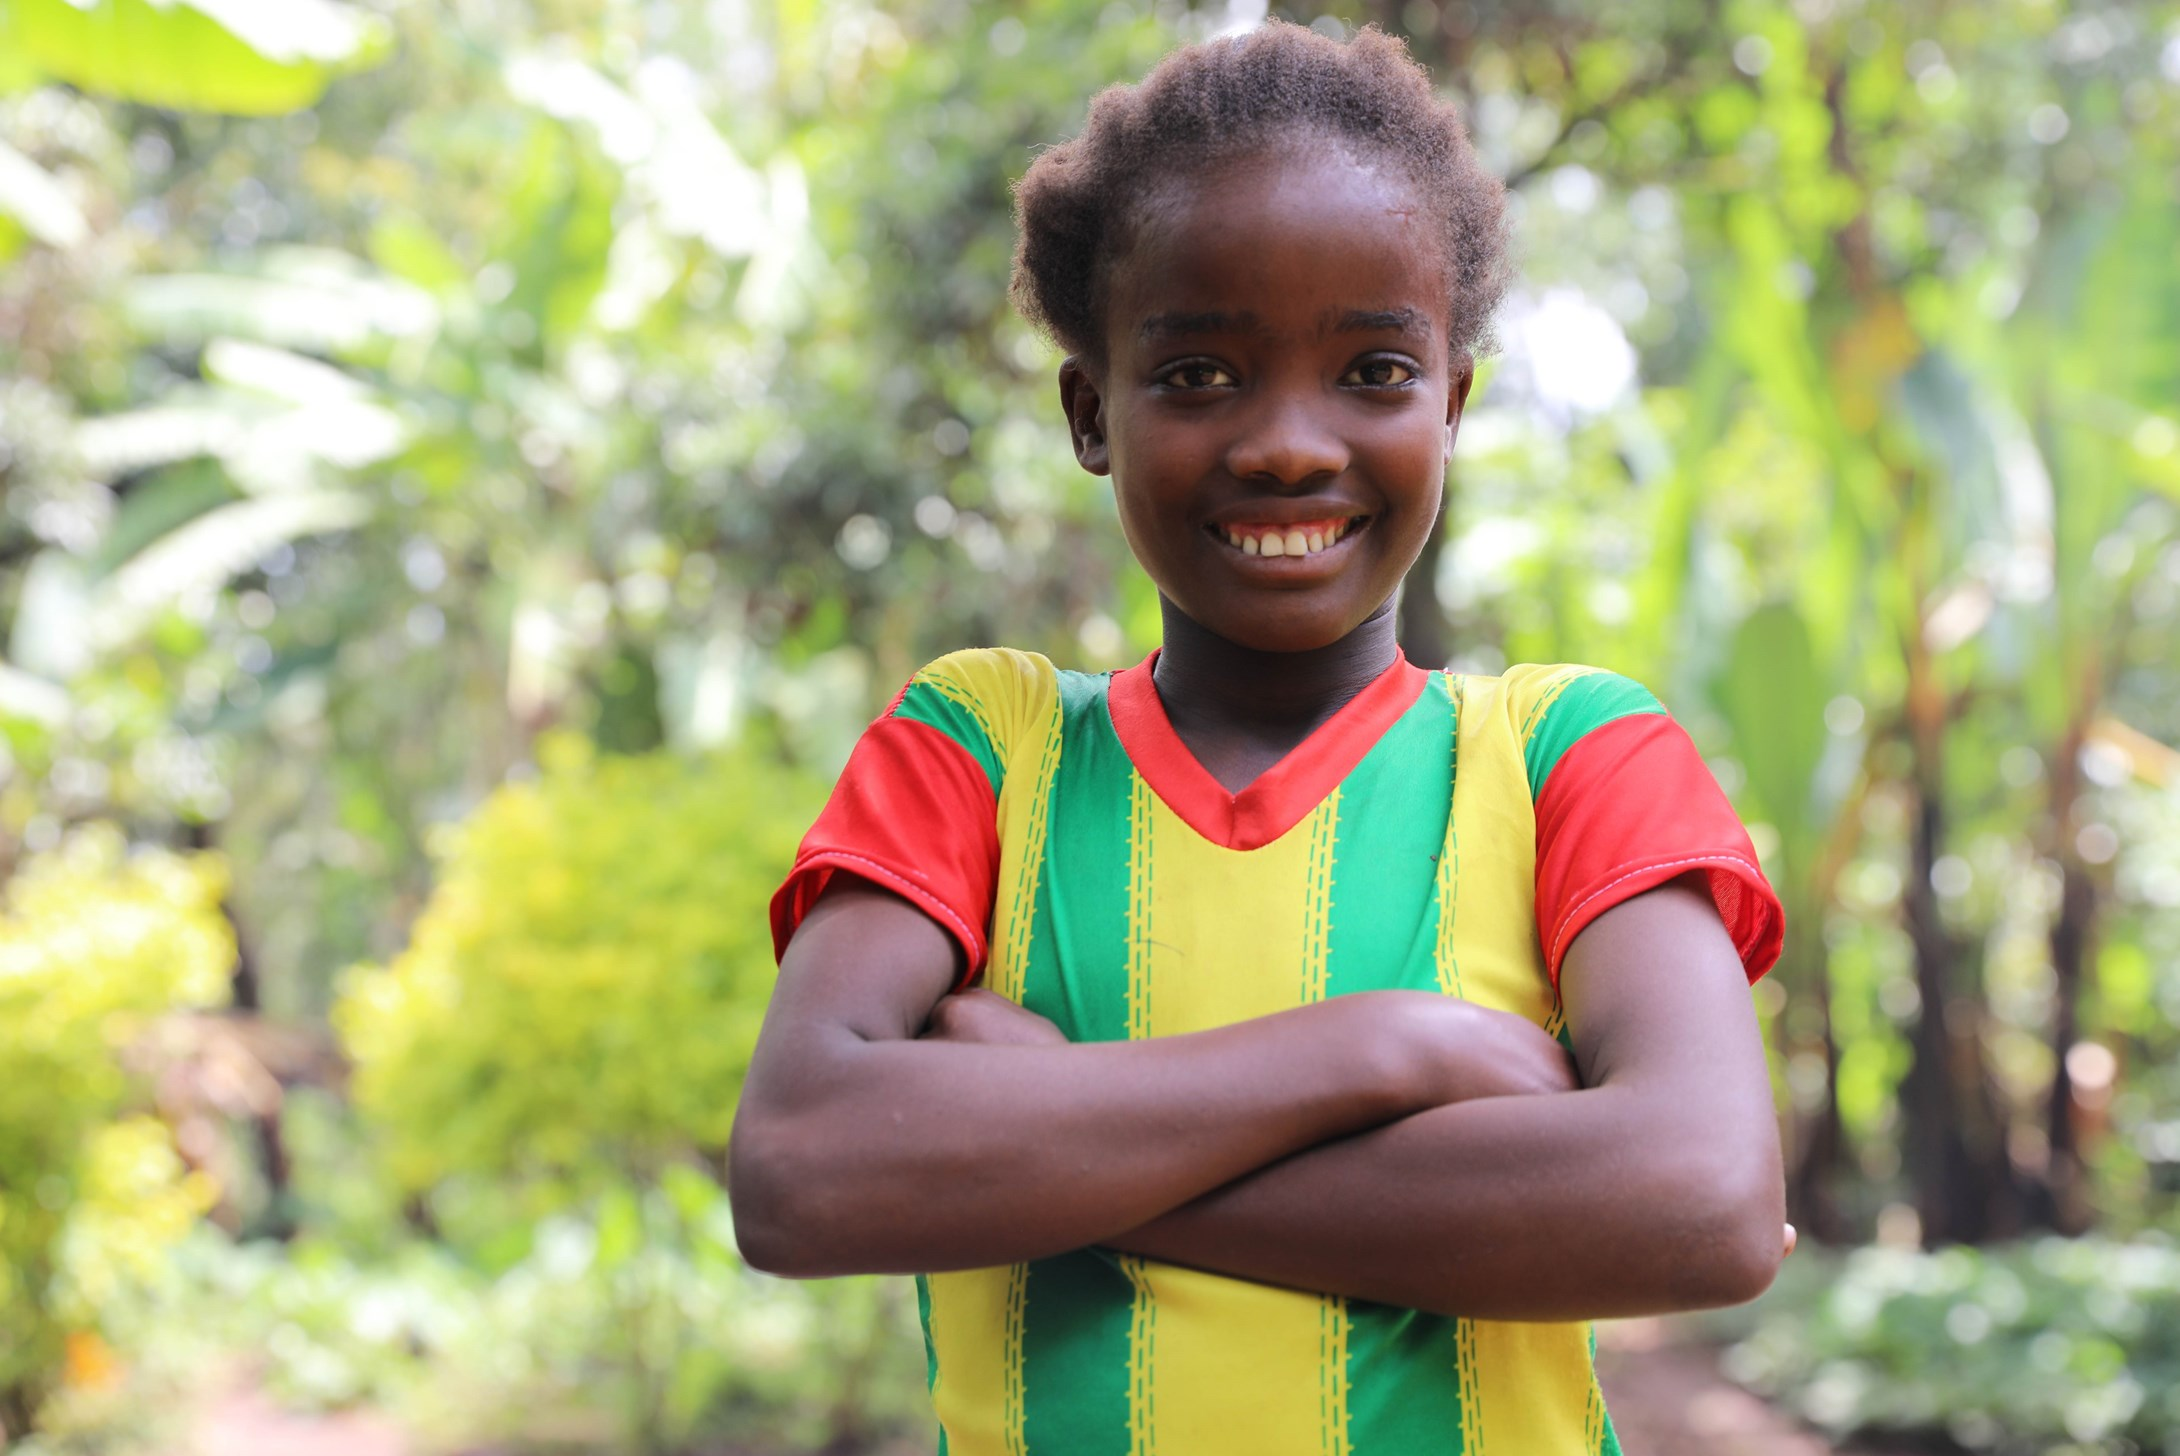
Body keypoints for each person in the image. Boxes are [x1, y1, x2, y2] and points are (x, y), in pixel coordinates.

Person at [729, 20, 1789, 1455]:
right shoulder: (982, 753)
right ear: (1092, 411)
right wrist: (1388, 1053)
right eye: (1200, 375)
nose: (1290, 442)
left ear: (1453, 403)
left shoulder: (1567, 761)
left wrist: (1036, 1136)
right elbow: (803, 1172)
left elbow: (1703, 1205)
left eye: (1373, 371)